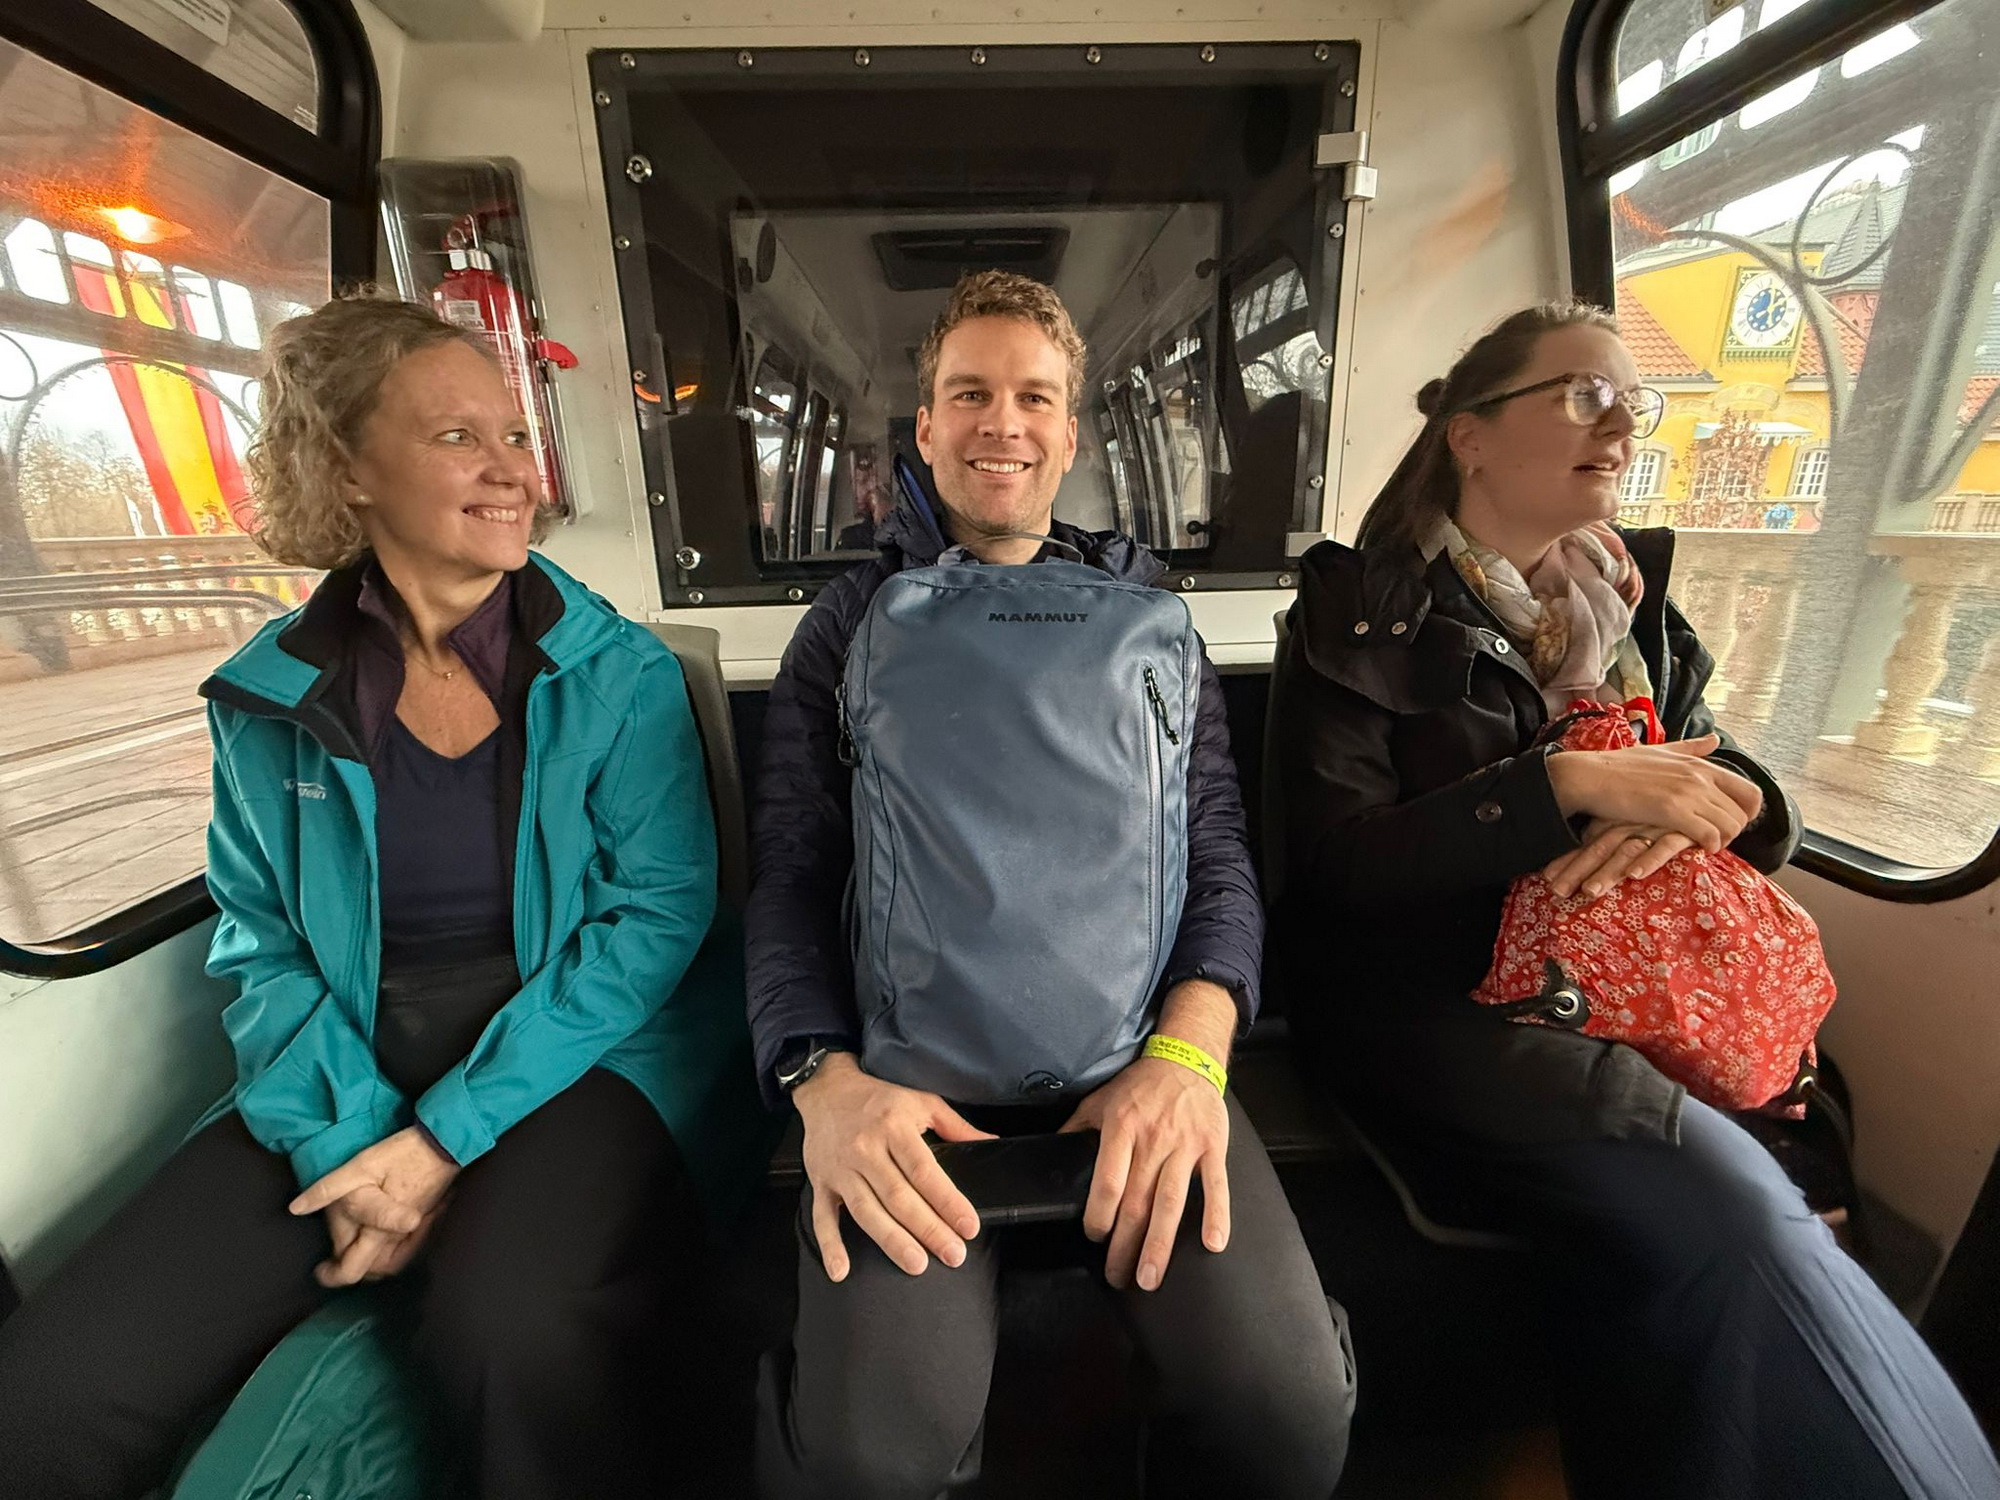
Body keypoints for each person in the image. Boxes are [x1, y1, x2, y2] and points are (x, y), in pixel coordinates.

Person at [0, 295, 756, 1499]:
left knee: (508, 1326)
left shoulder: (614, 674)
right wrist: (352, 1143)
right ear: (346, 469)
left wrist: (439, 1142)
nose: (510, 469)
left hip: (579, 1043)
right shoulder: (267, 700)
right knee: (59, 1386)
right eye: (457, 437)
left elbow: (653, 920)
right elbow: (263, 946)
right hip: (348, 1045)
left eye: (514, 435)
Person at [1271, 299, 2000, 1499]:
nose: (1618, 425)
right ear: (1468, 434)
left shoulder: (1626, 605)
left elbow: (1734, 777)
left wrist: (1708, 809)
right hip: (1441, 999)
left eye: (1631, 401)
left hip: (1625, 982)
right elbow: (1336, 872)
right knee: (1729, 1201)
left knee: (1803, 1140)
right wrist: (1560, 785)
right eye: (1582, 395)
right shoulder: (1358, 616)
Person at [746, 270, 1350, 1500]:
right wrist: (823, 1082)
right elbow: (793, 878)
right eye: (968, 394)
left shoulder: (1151, 625)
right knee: (870, 1460)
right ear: (925, 427)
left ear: (1071, 435)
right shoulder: (845, 627)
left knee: (1286, 1413)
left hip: (1138, 1062)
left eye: (1032, 398)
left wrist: (1188, 1059)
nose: (1001, 424)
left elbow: (1217, 864)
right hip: (907, 1085)